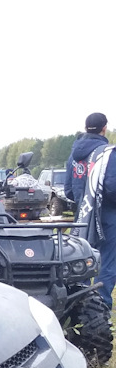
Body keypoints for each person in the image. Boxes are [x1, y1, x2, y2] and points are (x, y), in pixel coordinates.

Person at [78, 129, 116, 313]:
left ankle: (79, 302)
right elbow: (112, 187)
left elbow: (70, 189)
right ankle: (100, 307)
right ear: (104, 128)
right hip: (107, 214)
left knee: (82, 259)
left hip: (82, 213)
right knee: (107, 261)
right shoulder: (108, 153)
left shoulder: (75, 154)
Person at [65, 113, 109, 209]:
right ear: (104, 128)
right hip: (105, 216)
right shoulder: (107, 153)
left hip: (82, 215)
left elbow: (68, 190)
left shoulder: (73, 154)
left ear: (85, 128)